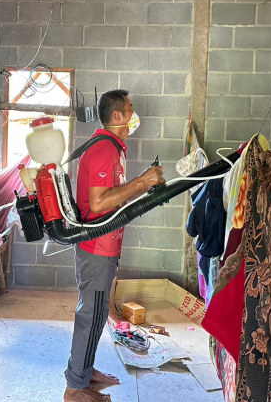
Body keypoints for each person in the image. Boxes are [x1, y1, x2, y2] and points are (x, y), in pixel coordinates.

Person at [64, 89, 164, 402]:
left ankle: (84, 371)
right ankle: (75, 388)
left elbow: (115, 196)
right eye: (131, 109)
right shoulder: (105, 148)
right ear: (117, 115)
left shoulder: (114, 147)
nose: (134, 115)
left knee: (97, 315)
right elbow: (98, 203)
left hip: (106, 246)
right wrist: (142, 181)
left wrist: (143, 186)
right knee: (91, 316)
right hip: (96, 248)